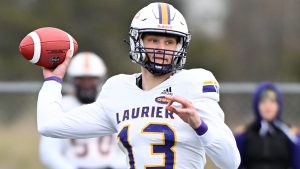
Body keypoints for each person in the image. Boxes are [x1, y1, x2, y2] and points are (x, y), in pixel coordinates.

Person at [37, 2, 240, 169]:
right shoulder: (118, 90)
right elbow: (49, 125)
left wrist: (199, 125)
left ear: (180, 46)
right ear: (138, 42)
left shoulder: (195, 84)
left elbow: (231, 162)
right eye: (154, 40)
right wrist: (53, 81)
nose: (162, 48)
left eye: (170, 42)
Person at [39, 52, 127, 169]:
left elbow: (130, 145)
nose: (86, 84)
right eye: (81, 79)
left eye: (91, 79)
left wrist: (115, 166)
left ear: (100, 79)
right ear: (72, 80)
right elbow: (49, 152)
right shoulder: (61, 105)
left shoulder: (112, 104)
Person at [235, 82, 300, 169]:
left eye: (272, 101)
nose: (268, 106)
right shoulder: (243, 136)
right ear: (256, 105)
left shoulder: (291, 135)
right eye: (263, 102)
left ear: (279, 105)